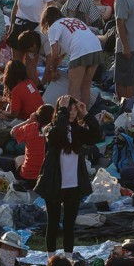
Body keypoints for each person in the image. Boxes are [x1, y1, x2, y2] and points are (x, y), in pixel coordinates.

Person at [33, 96, 97, 256]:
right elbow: (57, 133)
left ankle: (68, 259)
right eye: (69, 109)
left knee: (69, 224)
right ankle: (51, 259)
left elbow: (96, 135)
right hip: (55, 184)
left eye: (75, 109)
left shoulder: (77, 131)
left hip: (73, 186)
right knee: (53, 223)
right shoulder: (49, 128)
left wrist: (86, 114)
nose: (73, 112)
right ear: (60, 111)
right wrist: (62, 111)